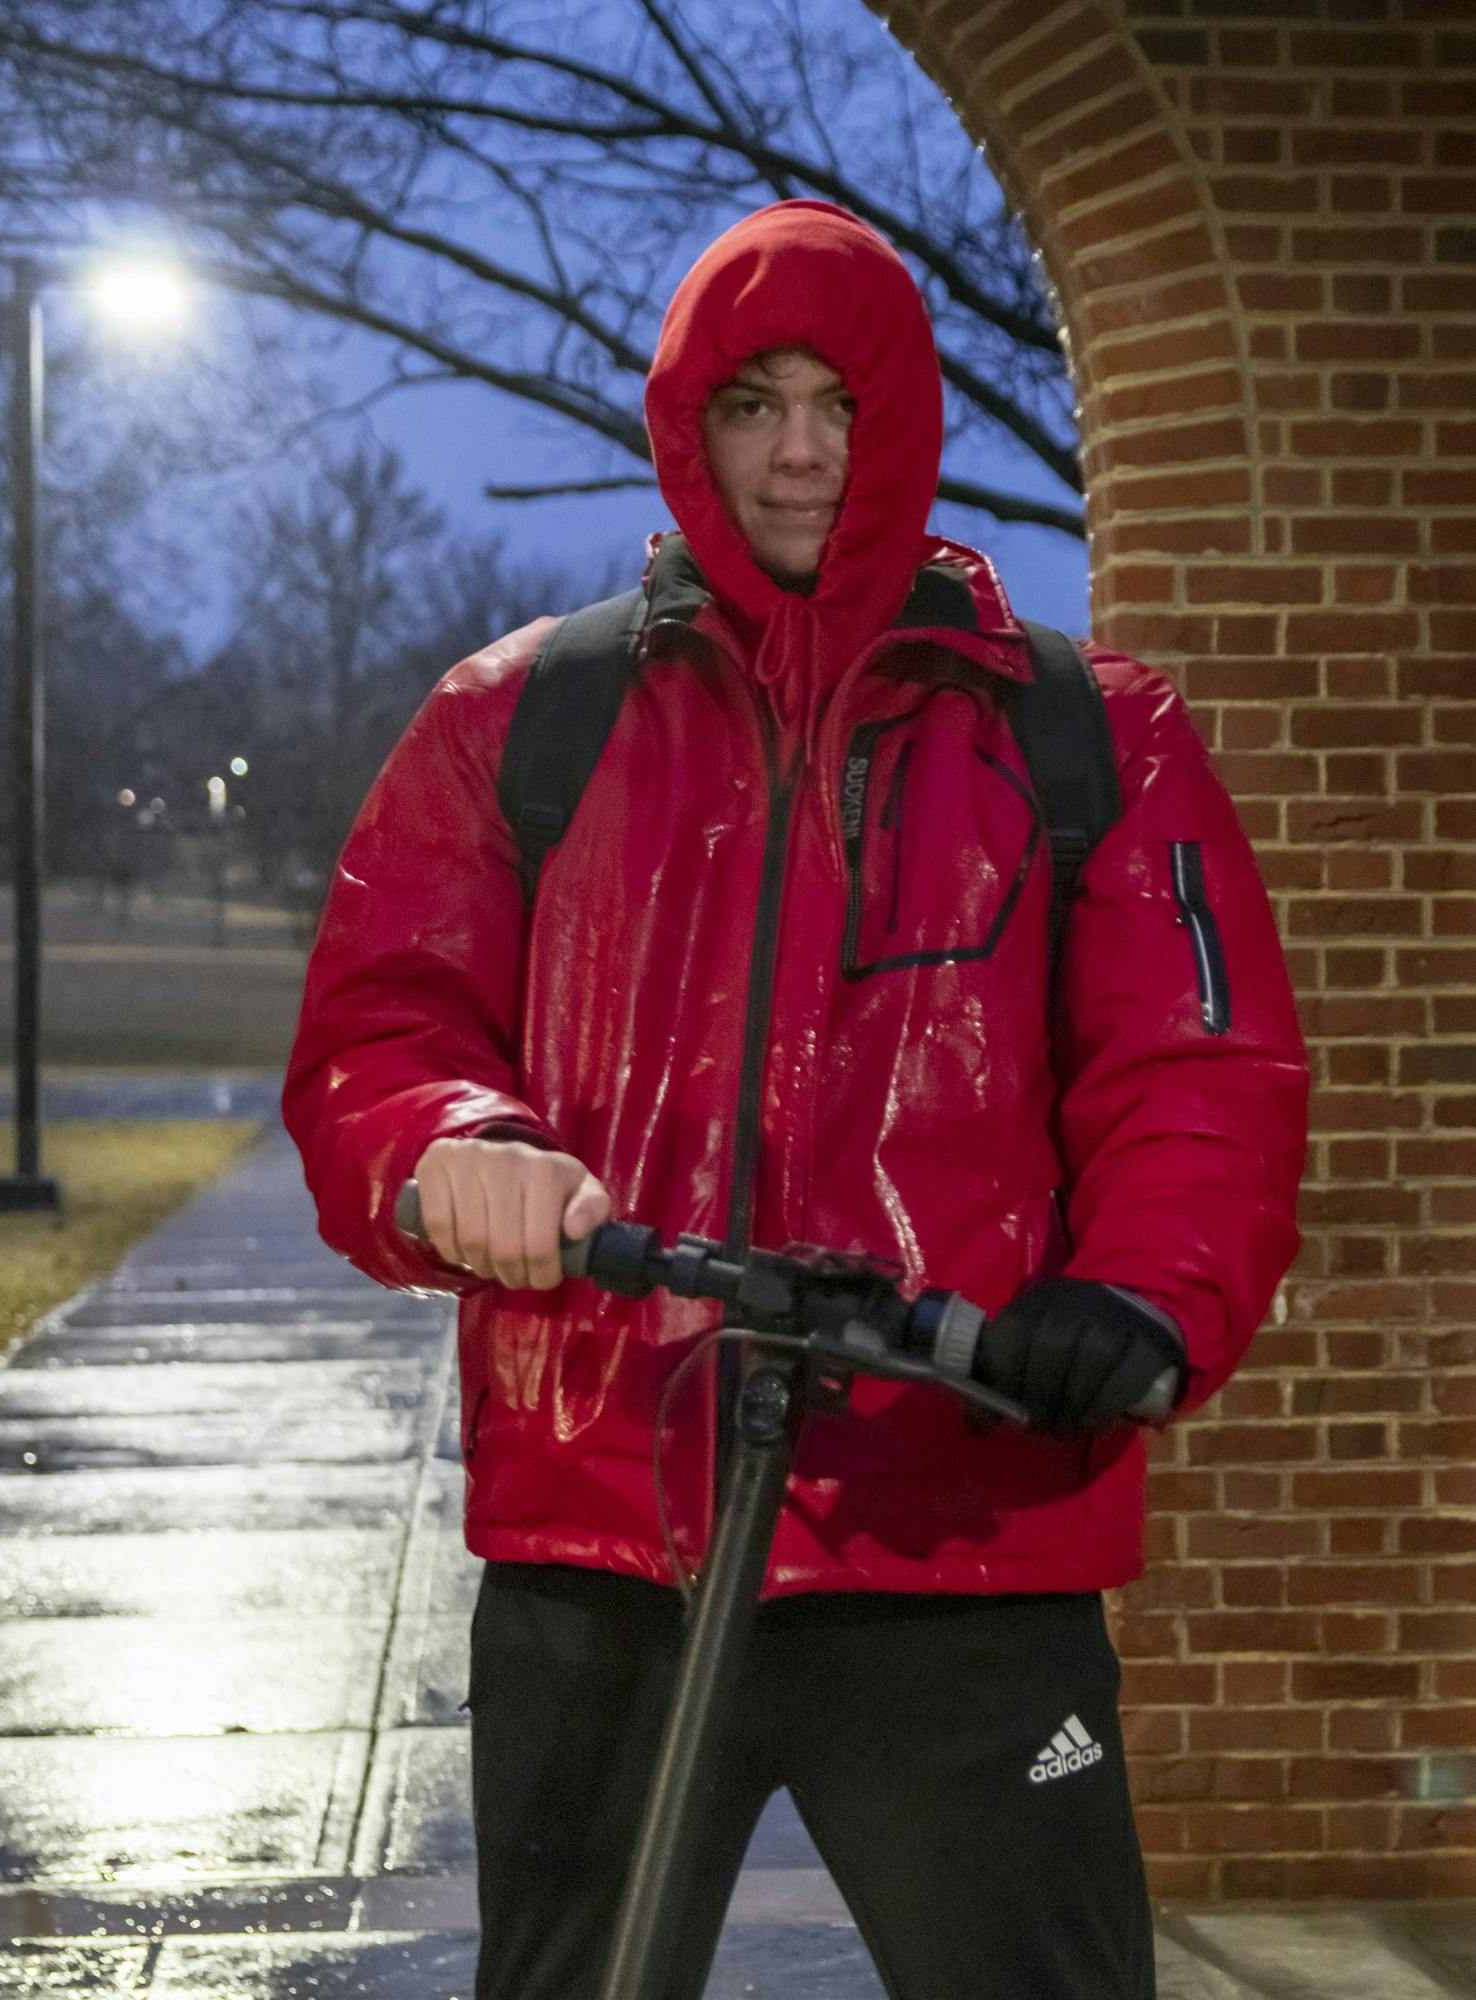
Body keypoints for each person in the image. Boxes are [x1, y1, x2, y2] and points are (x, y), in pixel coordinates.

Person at [283, 199, 1309, 2000]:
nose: (803, 448)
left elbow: (1198, 1068)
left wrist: (1143, 1292)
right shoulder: (522, 717)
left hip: (961, 1507)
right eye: (756, 400)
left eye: (843, 400)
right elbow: (383, 1025)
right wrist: (459, 1144)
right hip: (610, 1513)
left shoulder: (1092, 735)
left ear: (903, 418)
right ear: (692, 425)